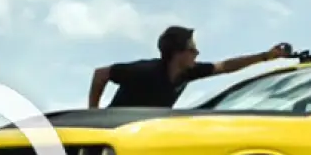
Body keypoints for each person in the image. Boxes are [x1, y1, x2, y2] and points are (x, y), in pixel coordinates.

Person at [88, 25, 293, 109]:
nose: (197, 53)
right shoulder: (144, 71)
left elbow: (226, 66)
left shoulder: (190, 72)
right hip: (115, 127)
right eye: (192, 49)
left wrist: (266, 56)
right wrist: (93, 112)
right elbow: (100, 74)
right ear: (178, 53)